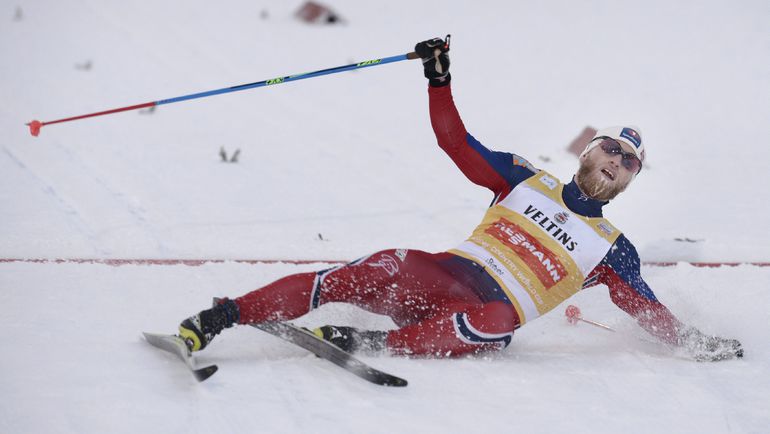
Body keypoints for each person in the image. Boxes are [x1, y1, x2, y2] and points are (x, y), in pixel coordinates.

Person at [177, 37, 743, 362]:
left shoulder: (613, 250)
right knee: (388, 262)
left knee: (500, 316)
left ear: (627, 184)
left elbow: (646, 309)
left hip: (474, 322)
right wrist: (438, 79)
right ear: (588, 153)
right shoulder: (525, 179)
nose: (617, 163)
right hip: (439, 279)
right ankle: (222, 315)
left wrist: (699, 343)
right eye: (612, 151)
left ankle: (375, 342)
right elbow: (455, 142)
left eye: (629, 164)